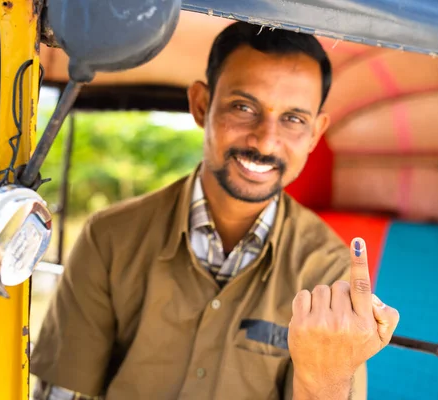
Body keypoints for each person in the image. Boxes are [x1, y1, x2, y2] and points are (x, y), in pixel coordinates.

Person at [31, 22, 400, 400]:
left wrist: (330, 372)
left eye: (293, 119)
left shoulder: (326, 271)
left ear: (315, 133)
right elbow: (62, 393)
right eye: (243, 107)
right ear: (201, 105)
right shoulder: (109, 237)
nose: (266, 140)